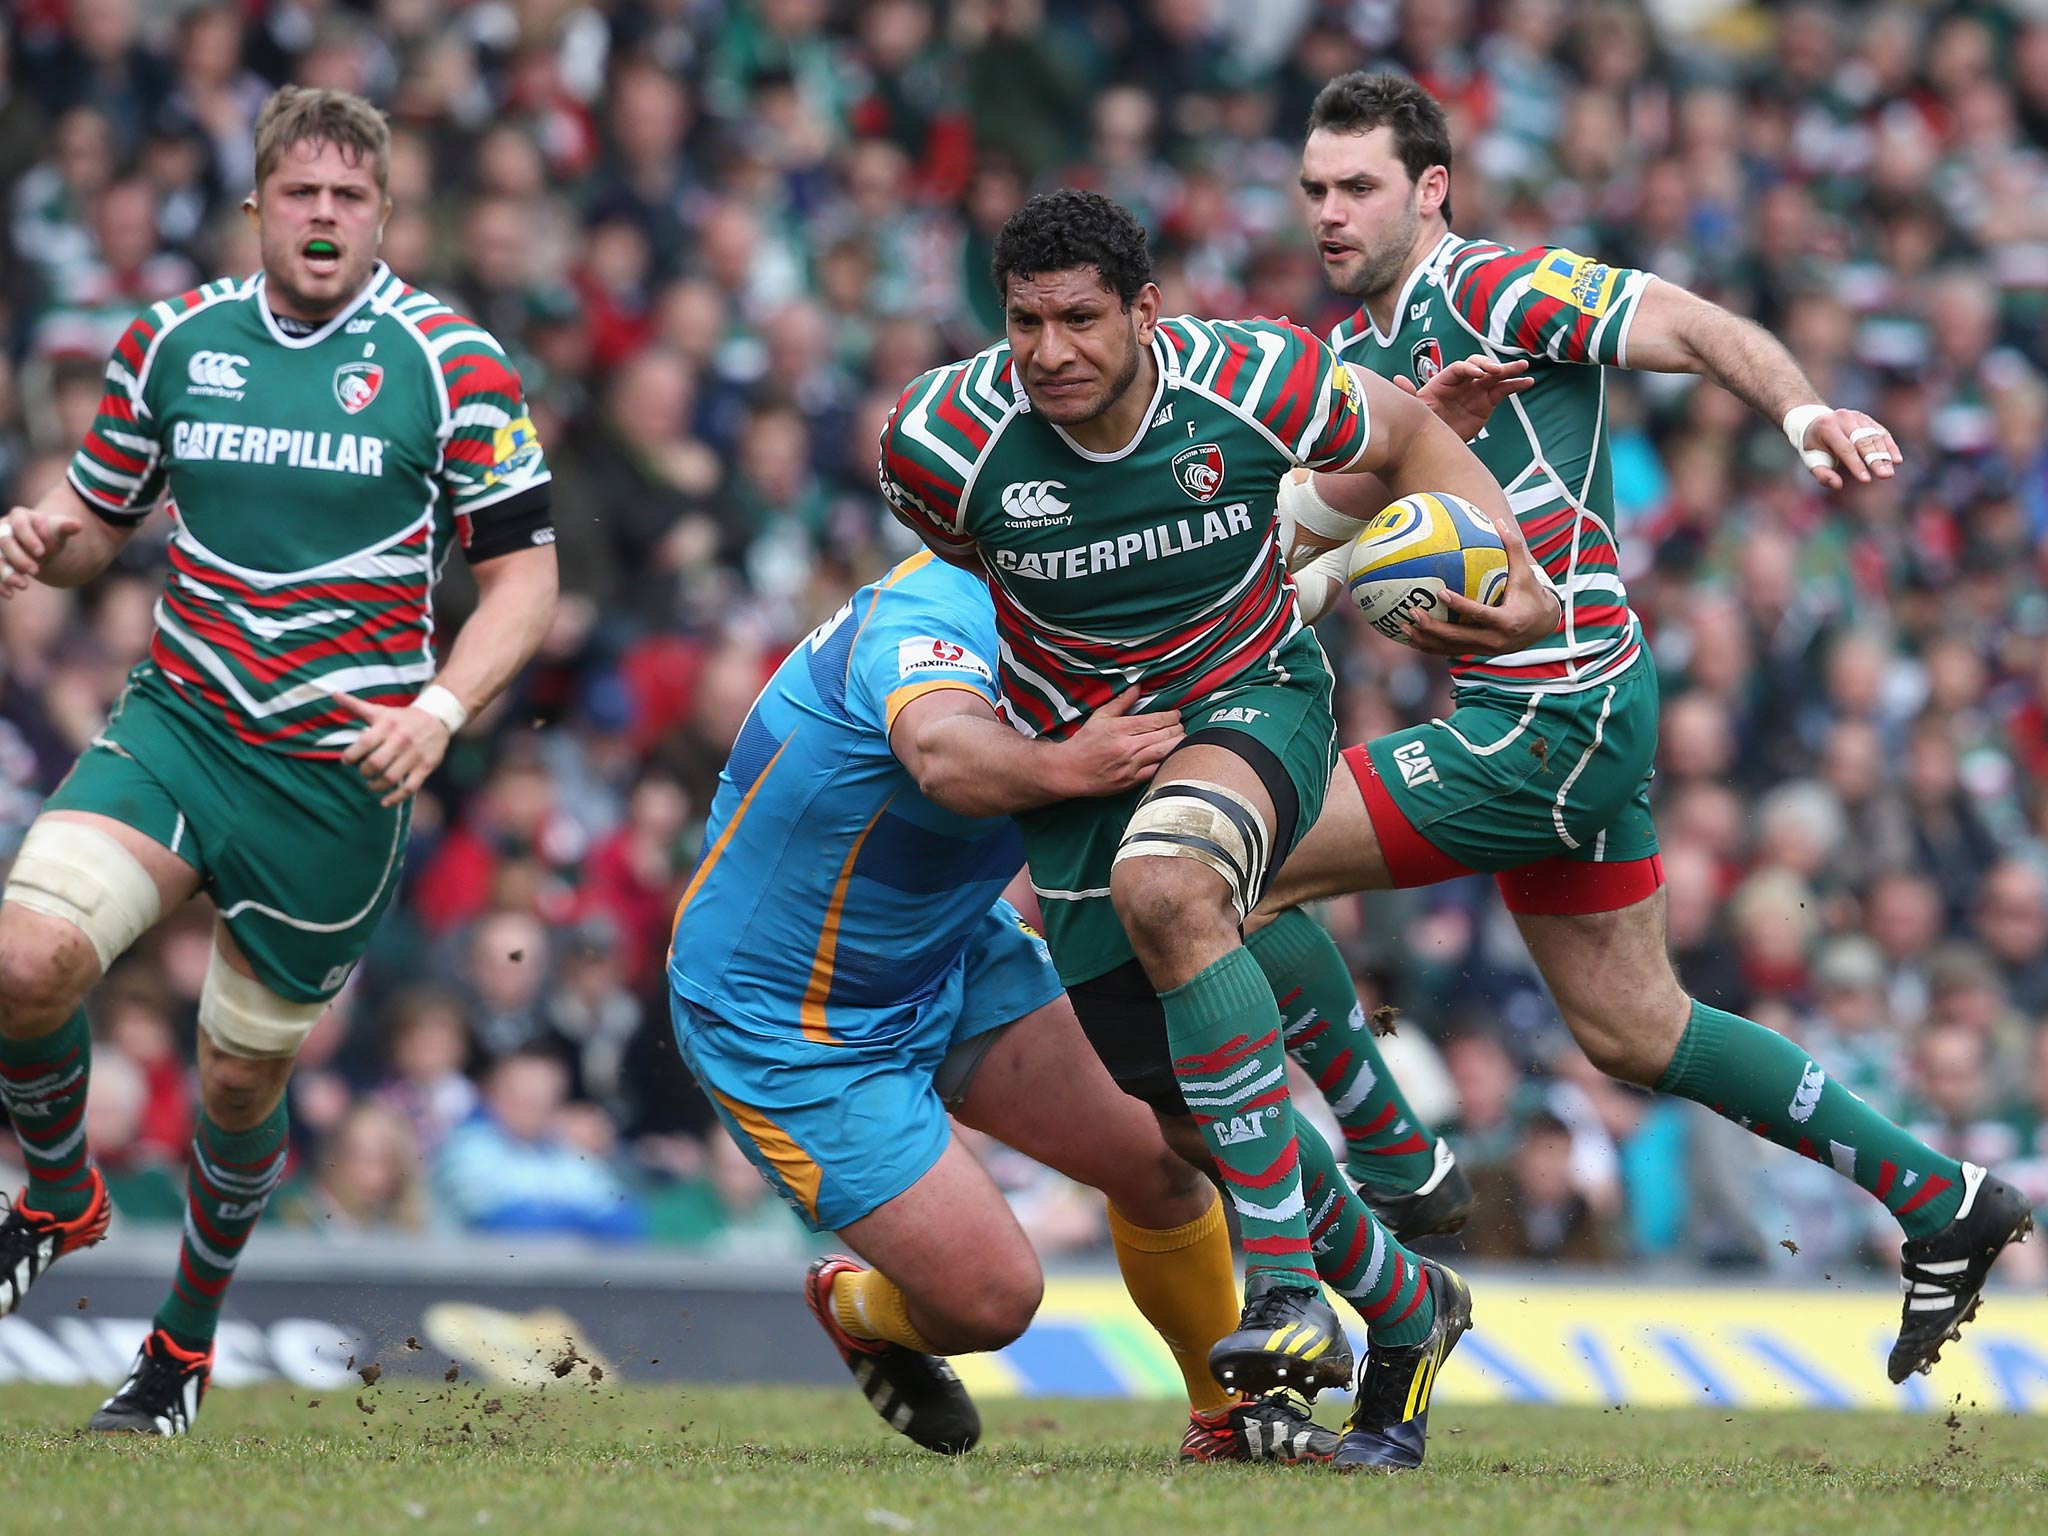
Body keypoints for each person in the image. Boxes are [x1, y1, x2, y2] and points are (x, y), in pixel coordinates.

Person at [1262, 71, 2031, 1385]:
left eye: (1360, 188)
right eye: (1316, 190)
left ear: (1430, 189)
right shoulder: (1354, 368)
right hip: (1537, 707)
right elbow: (1306, 556)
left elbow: (1684, 322)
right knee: (1633, 1029)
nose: (1331, 213)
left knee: (1215, 863)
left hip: (1556, 706)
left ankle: (1383, 1163)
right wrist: (1342, 559)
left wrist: (1802, 414)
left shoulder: (1494, 290)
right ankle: (1940, 1197)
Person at [876, 188, 1536, 1468]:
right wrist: (1060, 749)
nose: (1051, 352)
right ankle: (1410, 1307)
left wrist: (1513, 576)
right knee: (1190, 1117)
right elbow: (962, 551)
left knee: (1177, 887)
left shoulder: (1254, 376)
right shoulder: (937, 441)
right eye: (1025, 323)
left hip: (1252, 700)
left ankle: (1285, 1289)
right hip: (1082, 747)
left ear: (1145, 312)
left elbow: (1405, 436)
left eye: (1081, 319)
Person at [0, 85, 559, 1435]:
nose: (323, 217)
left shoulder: (453, 362)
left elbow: (527, 580)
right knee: (24, 961)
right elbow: (98, 518)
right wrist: (42, 539)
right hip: (180, 724)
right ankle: (63, 1190)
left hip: (337, 778)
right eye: (300, 194)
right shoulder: (174, 341)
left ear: (384, 216)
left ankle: (180, 1353)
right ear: (260, 207)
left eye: (348, 198)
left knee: (240, 1080)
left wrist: (440, 709)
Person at [669, 551, 1337, 1464]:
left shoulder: (1093, 585)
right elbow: (942, 756)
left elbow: (1273, 530)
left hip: (948, 948)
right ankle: (857, 1308)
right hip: (784, 1017)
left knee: (1159, 1155)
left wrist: (1423, 435)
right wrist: (1068, 767)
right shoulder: (933, 611)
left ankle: (1224, 1419)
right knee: (990, 1306)